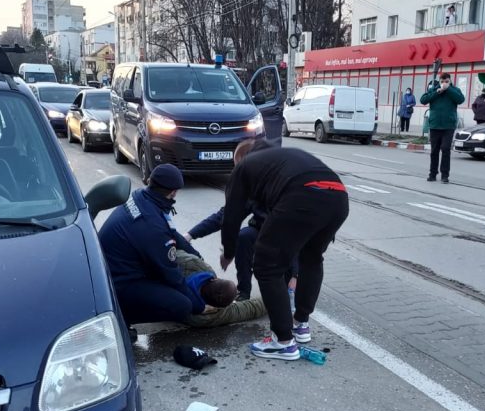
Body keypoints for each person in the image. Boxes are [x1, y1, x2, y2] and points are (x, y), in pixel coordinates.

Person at [220, 140, 349, 360]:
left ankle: (283, 341)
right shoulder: (285, 156)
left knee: (266, 266)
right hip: (338, 197)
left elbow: (231, 215)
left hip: (303, 195)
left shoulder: (245, 166)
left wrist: (229, 251)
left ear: (240, 159)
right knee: (312, 258)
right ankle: (301, 324)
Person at [98, 163, 235, 326]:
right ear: (173, 192)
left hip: (107, 269)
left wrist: (197, 257)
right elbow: (171, 275)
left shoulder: (142, 198)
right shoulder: (152, 226)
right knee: (183, 306)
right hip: (117, 284)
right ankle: (121, 318)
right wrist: (198, 306)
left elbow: (171, 232)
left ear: (151, 182)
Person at [186, 200, 298, 302]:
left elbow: (298, 238)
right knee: (244, 236)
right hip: (263, 231)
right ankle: (244, 291)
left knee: (285, 294)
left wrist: (295, 274)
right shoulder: (256, 189)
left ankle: (293, 286)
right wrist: (190, 235)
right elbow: (228, 214)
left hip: (293, 238)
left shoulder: (295, 193)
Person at [420, 72, 465, 183]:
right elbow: (423, 100)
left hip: (448, 126)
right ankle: (433, 173)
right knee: (434, 151)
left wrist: (448, 89)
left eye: (446, 81)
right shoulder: (434, 89)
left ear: (450, 81)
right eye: (442, 81)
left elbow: (460, 100)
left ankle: (445, 175)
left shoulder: (455, 90)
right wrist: (437, 92)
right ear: (439, 82)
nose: (444, 83)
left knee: (445, 149)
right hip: (435, 125)